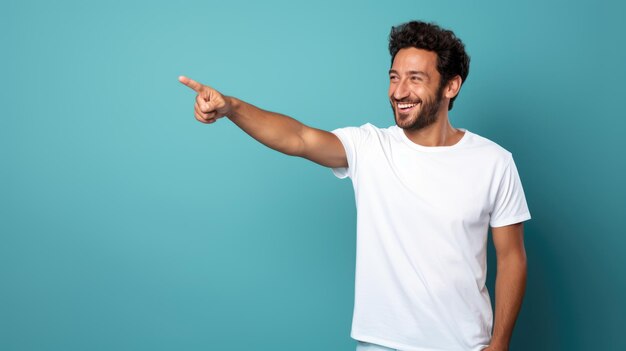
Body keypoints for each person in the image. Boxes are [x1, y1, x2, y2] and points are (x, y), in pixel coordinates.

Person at [179, 20, 530, 351]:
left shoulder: (493, 162)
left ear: (451, 85)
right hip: (380, 343)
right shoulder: (370, 146)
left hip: (461, 343)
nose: (399, 91)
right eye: (394, 77)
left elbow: (512, 257)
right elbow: (298, 138)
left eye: (415, 78)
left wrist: (499, 344)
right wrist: (232, 107)